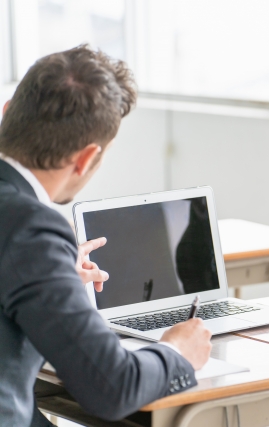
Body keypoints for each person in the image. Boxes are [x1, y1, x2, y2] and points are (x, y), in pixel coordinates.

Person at [0, 45, 213, 426]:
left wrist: (52, 275)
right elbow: (113, 387)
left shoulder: (26, 234)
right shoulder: (32, 229)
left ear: (7, 111)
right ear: (85, 159)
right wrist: (177, 351)